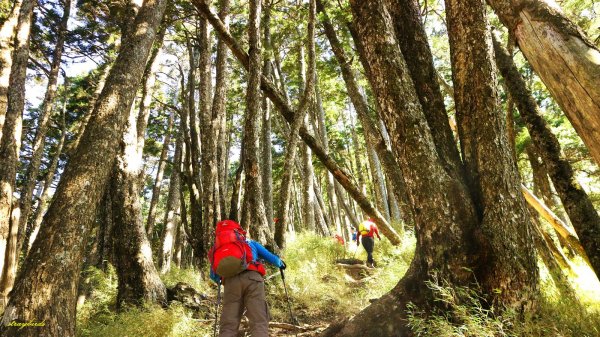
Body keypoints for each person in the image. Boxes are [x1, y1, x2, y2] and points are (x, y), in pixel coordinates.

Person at [208, 220, 285, 337]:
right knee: (258, 321)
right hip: (253, 279)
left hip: (231, 282)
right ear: (239, 231)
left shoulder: (217, 248)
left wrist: (227, 280)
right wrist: (281, 264)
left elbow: (213, 275)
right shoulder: (249, 242)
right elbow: (273, 259)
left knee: (228, 325)